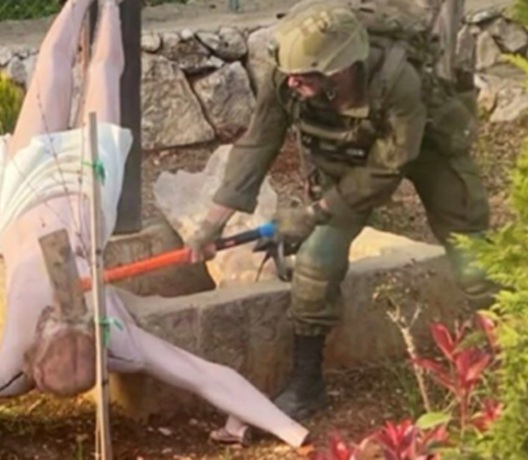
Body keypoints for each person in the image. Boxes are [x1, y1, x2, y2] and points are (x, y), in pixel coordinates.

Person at [0, 0, 311, 451]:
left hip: (28, 190)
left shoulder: (24, 362)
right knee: (95, 71)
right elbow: (207, 375)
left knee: (59, 69)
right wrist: (292, 434)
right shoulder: (116, 342)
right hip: (86, 185)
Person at [186, 0, 498, 423]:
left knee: (471, 253)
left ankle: (509, 354)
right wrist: (211, 224)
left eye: (304, 75)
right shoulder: (287, 76)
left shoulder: (397, 80)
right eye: (290, 72)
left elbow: (389, 167)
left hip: (426, 147)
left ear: (340, 69)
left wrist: (313, 211)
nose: (292, 81)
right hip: (348, 160)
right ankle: (307, 385)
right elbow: (258, 143)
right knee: (316, 261)